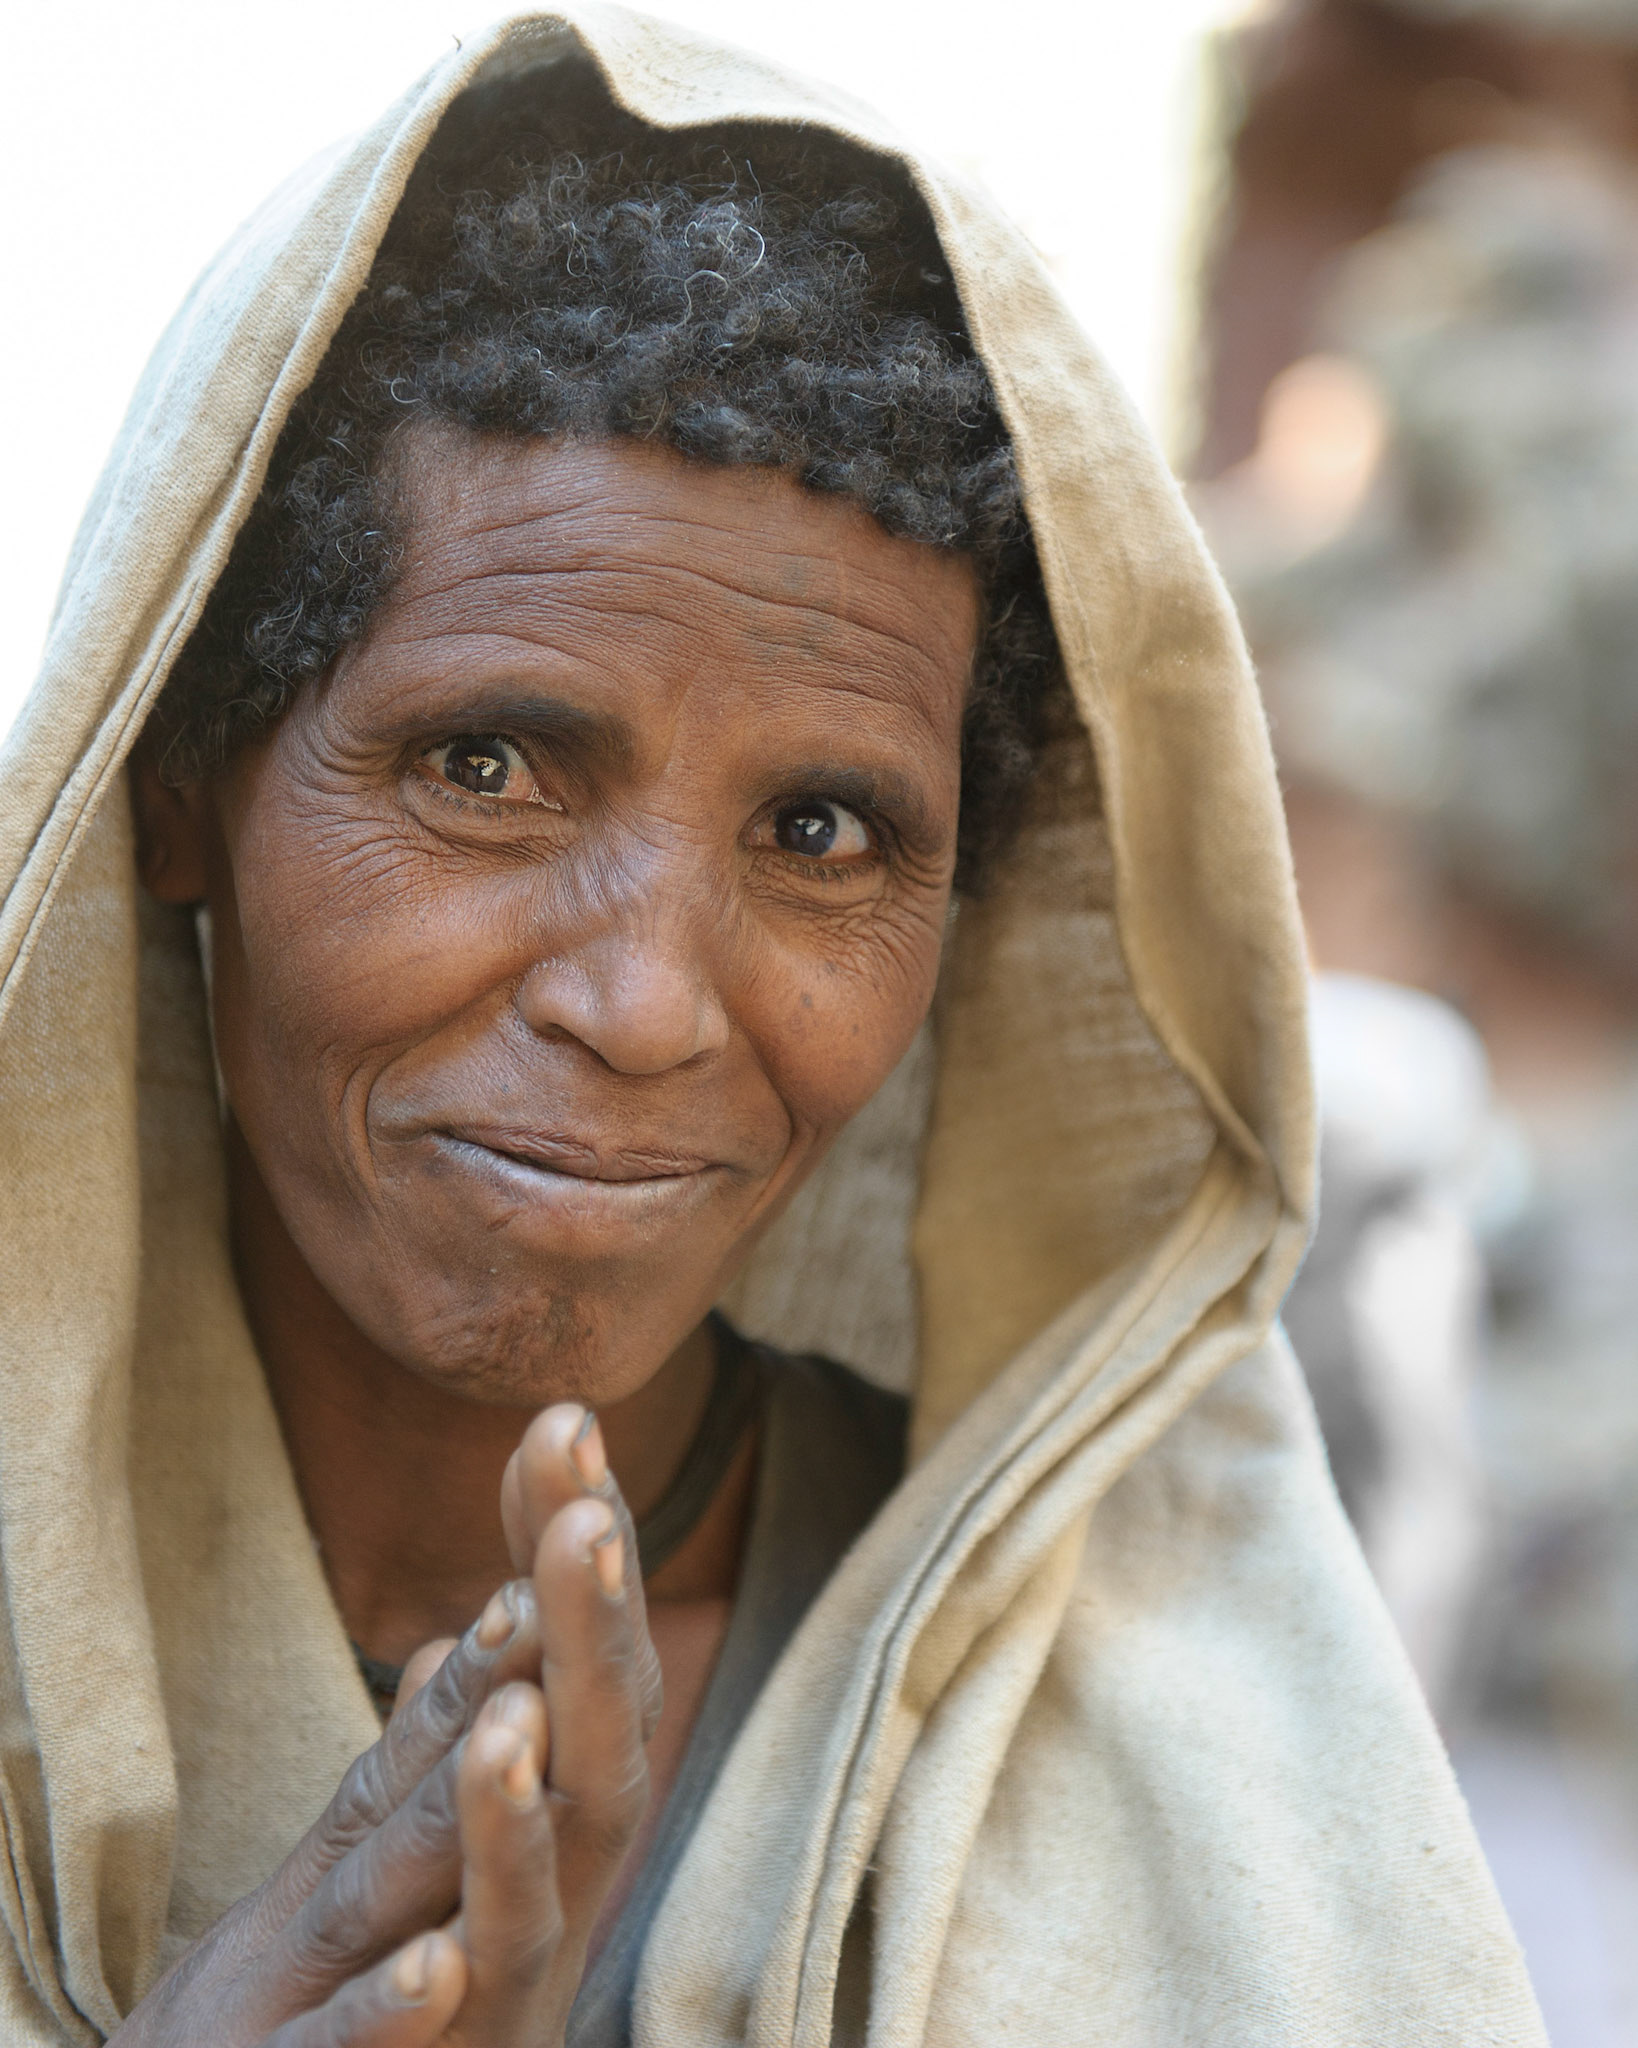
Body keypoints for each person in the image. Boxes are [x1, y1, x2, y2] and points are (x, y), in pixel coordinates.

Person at [0, 10, 1545, 2044]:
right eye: (486, 767)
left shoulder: (1167, 1747)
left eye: (822, 831)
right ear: (182, 777)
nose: (645, 1004)